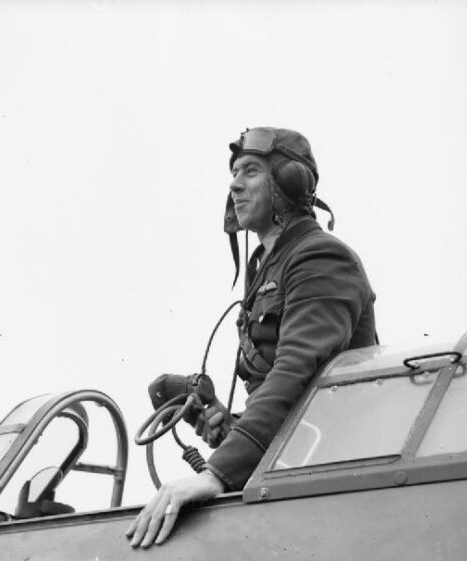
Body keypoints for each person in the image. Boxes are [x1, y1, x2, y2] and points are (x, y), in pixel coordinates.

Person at [126, 127, 376, 548]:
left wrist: (217, 473)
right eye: (234, 173)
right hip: (292, 465)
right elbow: (285, 397)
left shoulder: (319, 257)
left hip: (331, 474)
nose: (234, 184)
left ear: (289, 182)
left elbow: (297, 372)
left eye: (250, 171)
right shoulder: (270, 265)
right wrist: (232, 426)